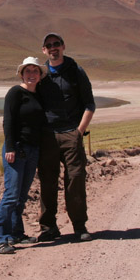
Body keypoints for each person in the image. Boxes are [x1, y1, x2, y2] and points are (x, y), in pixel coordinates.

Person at [37, 33, 96, 242]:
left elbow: (90, 104)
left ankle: (79, 226)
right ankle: (48, 227)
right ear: (44, 50)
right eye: (49, 45)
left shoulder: (75, 71)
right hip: (48, 136)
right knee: (47, 182)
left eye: (56, 44)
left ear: (63, 46)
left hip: (71, 133)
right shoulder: (41, 74)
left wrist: (79, 132)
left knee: (75, 180)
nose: (53, 48)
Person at [0, 56, 47, 255]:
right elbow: (8, 121)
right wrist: (9, 148)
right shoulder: (15, 92)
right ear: (21, 74)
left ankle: (17, 233)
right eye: (28, 71)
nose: (31, 74)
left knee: (21, 196)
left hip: (32, 150)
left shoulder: (39, 95)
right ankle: (0, 238)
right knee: (11, 194)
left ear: (40, 75)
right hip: (15, 149)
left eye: (35, 71)